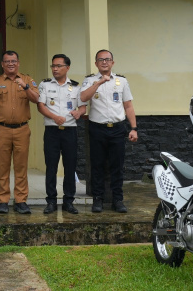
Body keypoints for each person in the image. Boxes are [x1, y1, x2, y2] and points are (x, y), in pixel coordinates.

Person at [80, 49, 138, 213]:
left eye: (107, 59)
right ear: (96, 63)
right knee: (97, 165)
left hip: (118, 129)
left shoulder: (122, 81)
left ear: (113, 62)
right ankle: (97, 199)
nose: (104, 62)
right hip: (97, 128)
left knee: (117, 166)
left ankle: (117, 200)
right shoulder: (90, 81)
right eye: (101, 60)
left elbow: (128, 106)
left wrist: (133, 128)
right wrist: (98, 83)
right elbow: (83, 98)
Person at [0, 50, 39, 214]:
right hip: (2, 129)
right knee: (2, 167)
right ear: (2, 64)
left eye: (13, 61)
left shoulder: (27, 80)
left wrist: (25, 87)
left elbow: (36, 99)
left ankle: (21, 200)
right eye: (7, 61)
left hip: (22, 129)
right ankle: (3, 200)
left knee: (21, 167)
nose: (10, 64)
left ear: (18, 63)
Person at [37, 54, 85, 215]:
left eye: (59, 66)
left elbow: (82, 107)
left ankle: (68, 201)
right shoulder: (45, 85)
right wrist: (54, 117)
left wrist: (79, 113)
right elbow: (40, 106)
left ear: (67, 68)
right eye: (53, 66)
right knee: (51, 167)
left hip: (70, 131)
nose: (55, 69)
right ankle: (51, 201)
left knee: (70, 167)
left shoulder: (76, 87)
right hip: (52, 131)